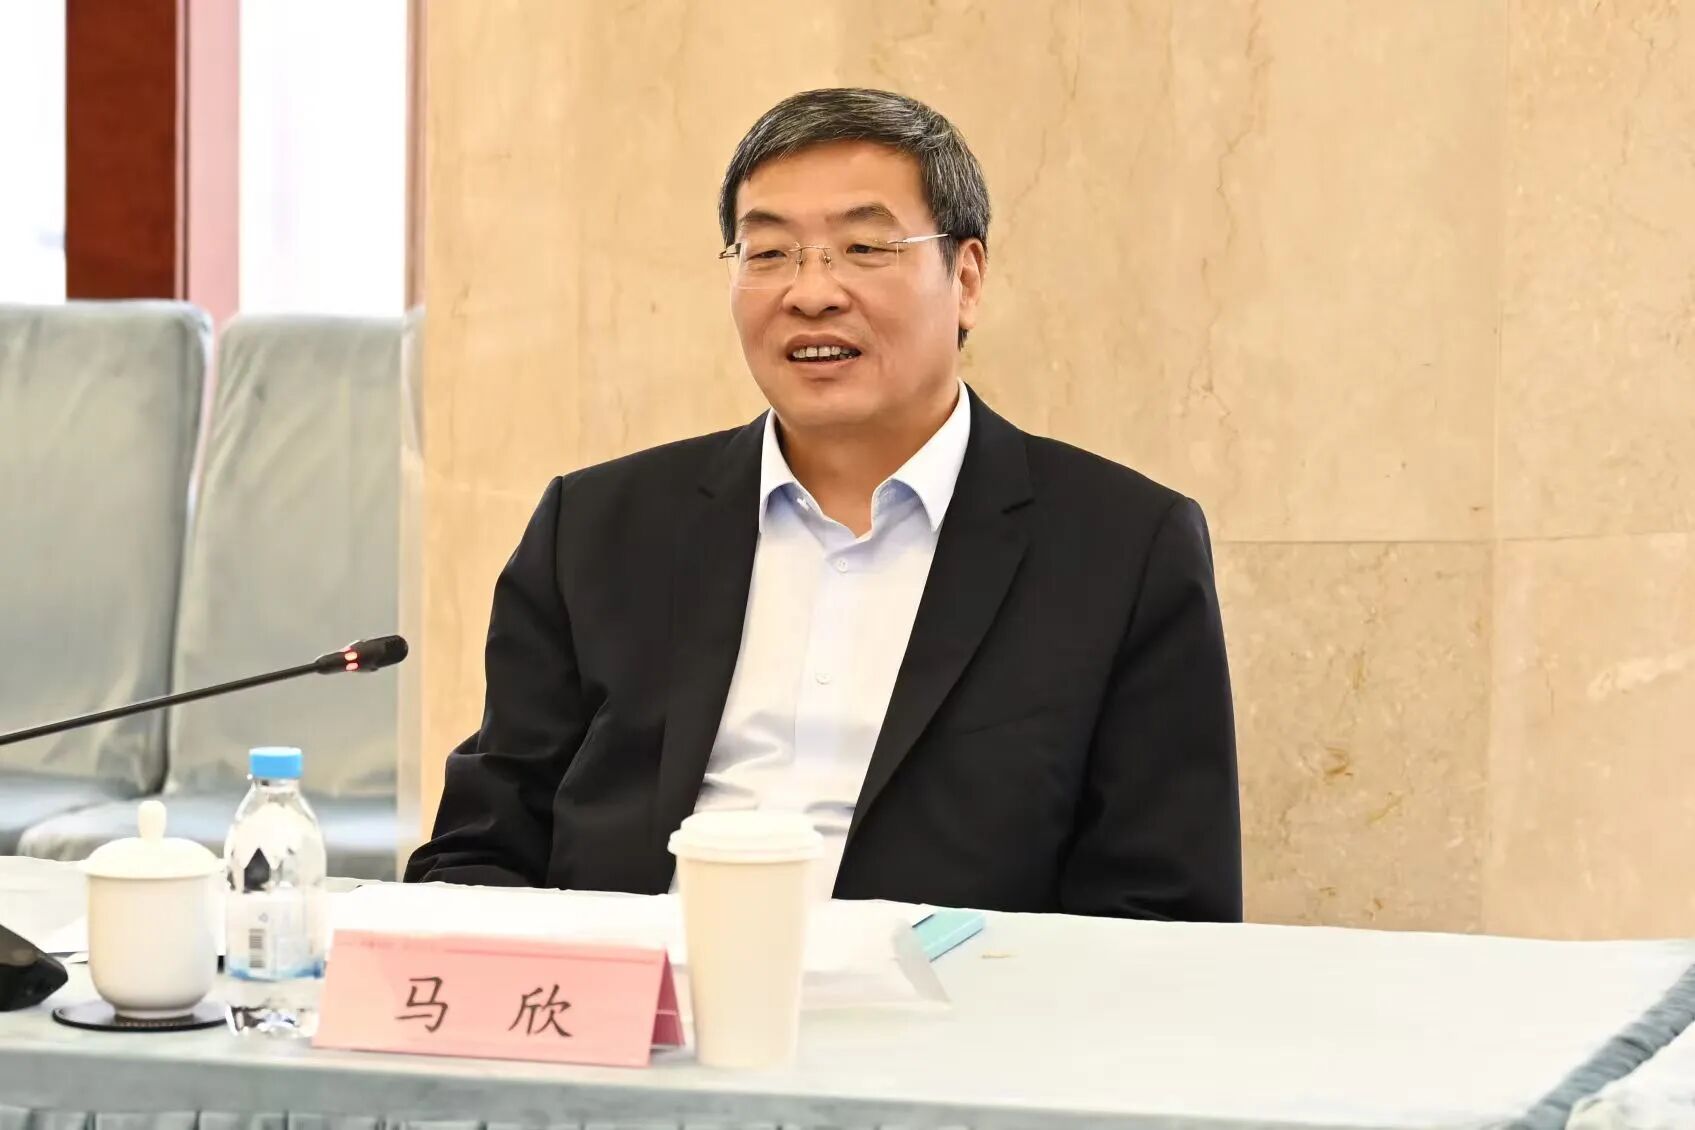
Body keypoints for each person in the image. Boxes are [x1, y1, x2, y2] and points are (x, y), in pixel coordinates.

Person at [407, 88, 1242, 920]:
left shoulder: (1122, 548)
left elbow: (1163, 911)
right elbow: (481, 850)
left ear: (966, 278)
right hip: (636, 991)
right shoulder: (596, 527)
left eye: (863, 247)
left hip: (950, 1000)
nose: (811, 293)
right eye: (768, 253)